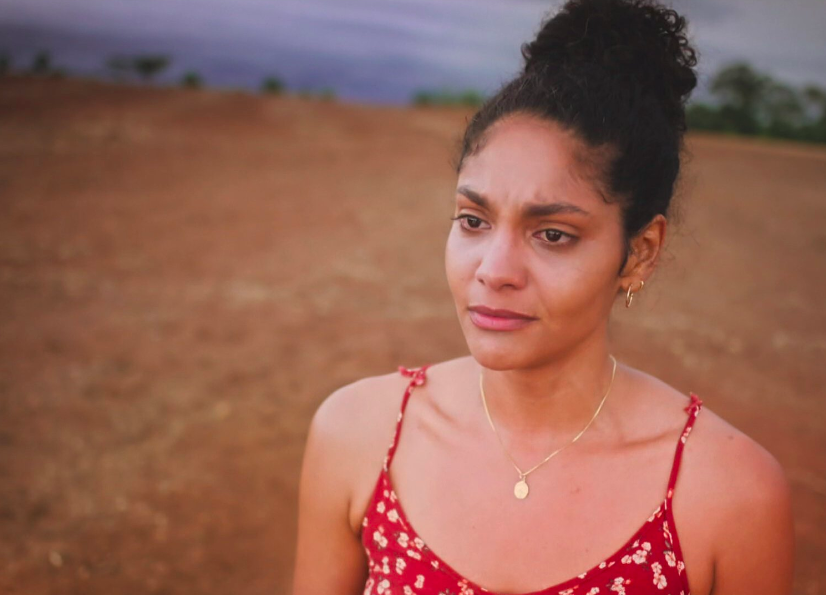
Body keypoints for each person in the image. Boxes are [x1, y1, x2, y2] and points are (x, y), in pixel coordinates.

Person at [291, 0, 795, 593]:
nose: (494, 271)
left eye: (553, 234)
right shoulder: (360, 434)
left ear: (639, 252)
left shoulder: (727, 492)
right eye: (473, 220)